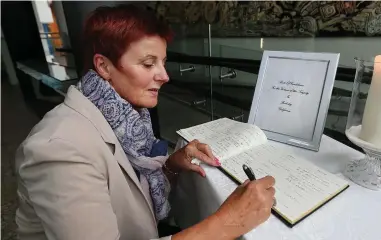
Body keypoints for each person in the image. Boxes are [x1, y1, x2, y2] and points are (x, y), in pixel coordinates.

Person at [15, 4, 276, 240]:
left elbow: (131, 192)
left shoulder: (127, 118)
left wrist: (172, 165)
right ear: (104, 67)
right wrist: (228, 223)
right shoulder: (60, 149)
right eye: (148, 63)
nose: (164, 76)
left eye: (162, 63)